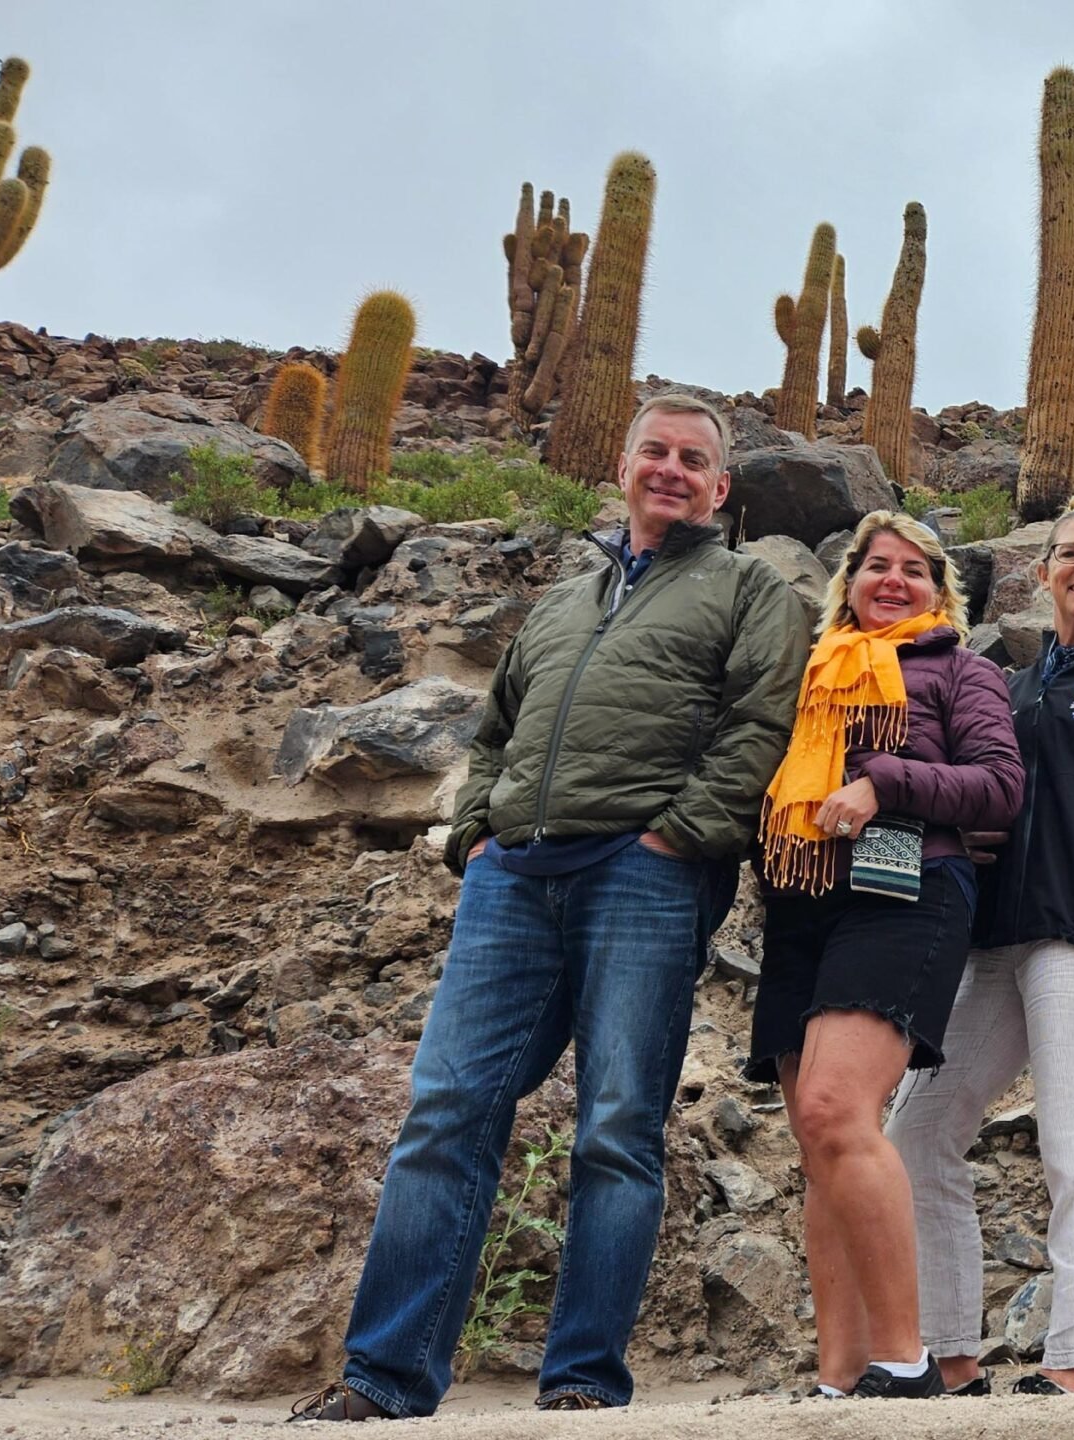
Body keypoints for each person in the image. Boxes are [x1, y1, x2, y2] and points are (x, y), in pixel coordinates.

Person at [293, 394, 811, 1422]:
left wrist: (678, 835)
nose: (670, 469)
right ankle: (384, 1378)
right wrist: (474, 834)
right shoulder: (564, 603)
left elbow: (763, 721)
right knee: (445, 1113)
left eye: (692, 459)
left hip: (646, 876)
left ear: (719, 487)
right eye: (653, 451)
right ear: (623, 468)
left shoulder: (751, 589)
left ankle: (581, 1379)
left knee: (616, 1128)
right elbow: (494, 733)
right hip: (513, 878)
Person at [887, 506, 1074, 1396]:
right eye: (1070, 553)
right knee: (918, 1129)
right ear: (1042, 573)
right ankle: (951, 1355)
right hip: (993, 941)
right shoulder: (1010, 685)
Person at [747, 511, 1024, 1400]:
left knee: (836, 1112)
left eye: (914, 570)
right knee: (819, 1145)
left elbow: (1000, 786)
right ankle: (839, 1380)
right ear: (848, 582)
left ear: (941, 592)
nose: (892, 581)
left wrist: (884, 780)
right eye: (875, 567)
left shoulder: (960, 670)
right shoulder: (811, 673)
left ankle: (908, 1363)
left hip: (906, 895)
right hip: (802, 902)